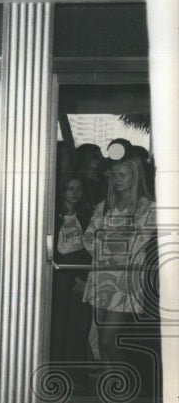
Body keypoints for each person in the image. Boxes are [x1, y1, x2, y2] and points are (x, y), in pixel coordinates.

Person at [82, 156, 156, 367]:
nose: (116, 179)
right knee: (99, 340)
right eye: (114, 174)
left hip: (126, 281)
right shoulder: (104, 206)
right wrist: (114, 242)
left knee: (108, 339)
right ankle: (110, 387)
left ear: (135, 176)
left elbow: (138, 243)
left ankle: (124, 388)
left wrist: (107, 239)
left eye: (122, 174)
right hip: (101, 277)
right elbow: (88, 238)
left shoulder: (148, 208)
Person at [51, 174, 93, 363]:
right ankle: (56, 367)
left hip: (81, 271)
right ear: (62, 191)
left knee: (79, 324)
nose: (75, 193)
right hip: (60, 274)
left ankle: (76, 369)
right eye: (71, 189)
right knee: (58, 323)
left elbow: (90, 248)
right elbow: (51, 251)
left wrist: (84, 277)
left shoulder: (85, 216)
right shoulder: (53, 216)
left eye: (79, 189)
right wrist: (74, 276)